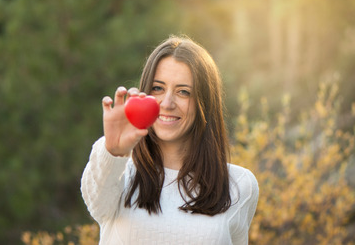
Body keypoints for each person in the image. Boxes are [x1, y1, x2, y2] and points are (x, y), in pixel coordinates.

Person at [81, 35, 259, 244]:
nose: (167, 103)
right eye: (158, 88)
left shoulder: (239, 185)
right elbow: (96, 203)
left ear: (205, 103)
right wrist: (113, 152)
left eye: (183, 92)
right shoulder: (119, 172)